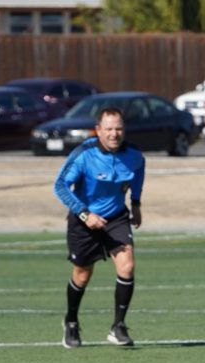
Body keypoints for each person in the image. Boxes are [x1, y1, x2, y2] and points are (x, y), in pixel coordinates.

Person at [55, 107, 145, 348]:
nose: (114, 134)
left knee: (127, 266)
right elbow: (61, 186)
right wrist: (85, 214)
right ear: (98, 130)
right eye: (109, 129)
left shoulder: (134, 154)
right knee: (82, 274)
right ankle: (71, 322)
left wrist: (135, 203)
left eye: (118, 129)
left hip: (116, 217)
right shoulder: (84, 154)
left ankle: (118, 326)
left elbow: (138, 173)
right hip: (84, 220)